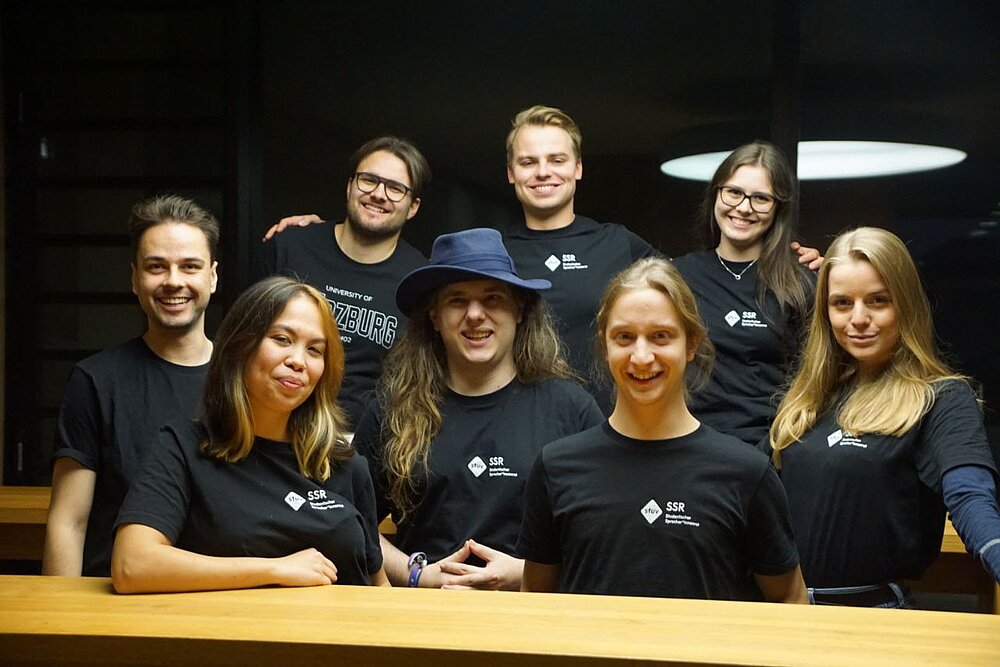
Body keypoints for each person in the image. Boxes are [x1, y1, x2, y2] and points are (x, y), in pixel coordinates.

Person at [518, 258, 807, 602]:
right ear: (604, 345)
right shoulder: (557, 468)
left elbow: (791, 602)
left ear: (691, 343)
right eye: (624, 337)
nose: (641, 357)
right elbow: (535, 602)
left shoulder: (745, 473)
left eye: (660, 336)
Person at [501, 106, 820, 414]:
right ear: (511, 173)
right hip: (520, 417)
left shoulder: (619, 244)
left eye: (557, 159)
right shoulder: (494, 254)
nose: (543, 171)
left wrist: (810, 266)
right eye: (529, 161)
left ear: (578, 167)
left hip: (607, 424)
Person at [353, 228, 603, 590]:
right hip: (424, 614)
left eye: (492, 298)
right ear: (435, 317)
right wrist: (417, 573)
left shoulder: (571, 409)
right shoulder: (392, 410)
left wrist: (526, 572)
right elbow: (351, 520)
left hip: (533, 613)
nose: (475, 314)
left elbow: (604, 533)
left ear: (519, 310)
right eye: (457, 300)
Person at [767, 227, 1000, 607]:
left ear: (905, 304)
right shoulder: (809, 398)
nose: (858, 318)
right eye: (842, 303)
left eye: (878, 300)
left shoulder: (941, 398)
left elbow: (969, 495)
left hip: (874, 616)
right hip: (784, 613)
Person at [112, 277, 387, 593]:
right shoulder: (183, 447)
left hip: (341, 624)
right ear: (240, 345)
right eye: (282, 339)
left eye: (314, 350)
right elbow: (132, 565)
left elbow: (377, 582)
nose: (298, 361)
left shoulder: (345, 464)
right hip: (227, 624)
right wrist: (275, 569)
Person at [43, 194, 219, 577]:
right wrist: (63, 611)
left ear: (212, 276)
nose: (174, 281)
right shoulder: (96, 380)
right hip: (113, 595)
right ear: (135, 278)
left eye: (190, 266)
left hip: (222, 592)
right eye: (156, 267)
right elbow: (69, 522)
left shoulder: (245, 378)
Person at [255, 136, 429, 430]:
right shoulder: (289, 247)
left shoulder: (421, 280)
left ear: (413, 207)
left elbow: (417, 381)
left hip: (360, 442)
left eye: (395, 188)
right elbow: (245, 343)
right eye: (369, 180)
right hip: (273, 427)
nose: (378, 194)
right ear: (350, 186)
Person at [674, 141, 815, 446]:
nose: (743, 207)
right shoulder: (676, 277)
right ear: (716, 193)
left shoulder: (800, 282)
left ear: (778, 208)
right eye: (734, 192)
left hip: (772, 448)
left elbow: (818, 379)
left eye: (761, 198)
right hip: (689, 447)